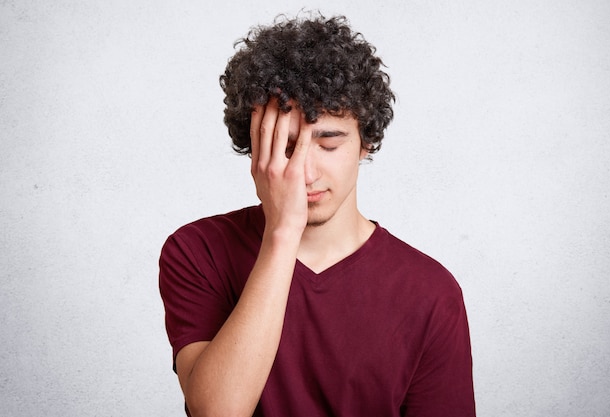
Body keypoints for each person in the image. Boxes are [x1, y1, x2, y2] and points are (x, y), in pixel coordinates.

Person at [159, 13, 475, 417]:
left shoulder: (431, 292)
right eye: (286, 147)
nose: (304, 172)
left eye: (328, 142)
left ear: (366, 143)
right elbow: (217, 411)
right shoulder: (196, 252)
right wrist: (282, 232)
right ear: (253, 148)